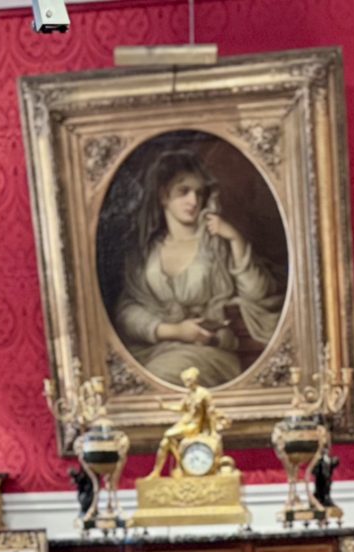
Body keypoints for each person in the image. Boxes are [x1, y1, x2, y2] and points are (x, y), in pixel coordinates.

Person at [111, 147, 282, 387]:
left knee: (161, 377)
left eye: (199, 193)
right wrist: (173, 331)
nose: (193, 201)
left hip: (210, 351)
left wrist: (235, 240)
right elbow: (127, 311)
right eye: (184, 191)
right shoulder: (146, 253)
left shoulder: (215, 245)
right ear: (163, 195)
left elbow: (257, 293)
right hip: (154, 350)